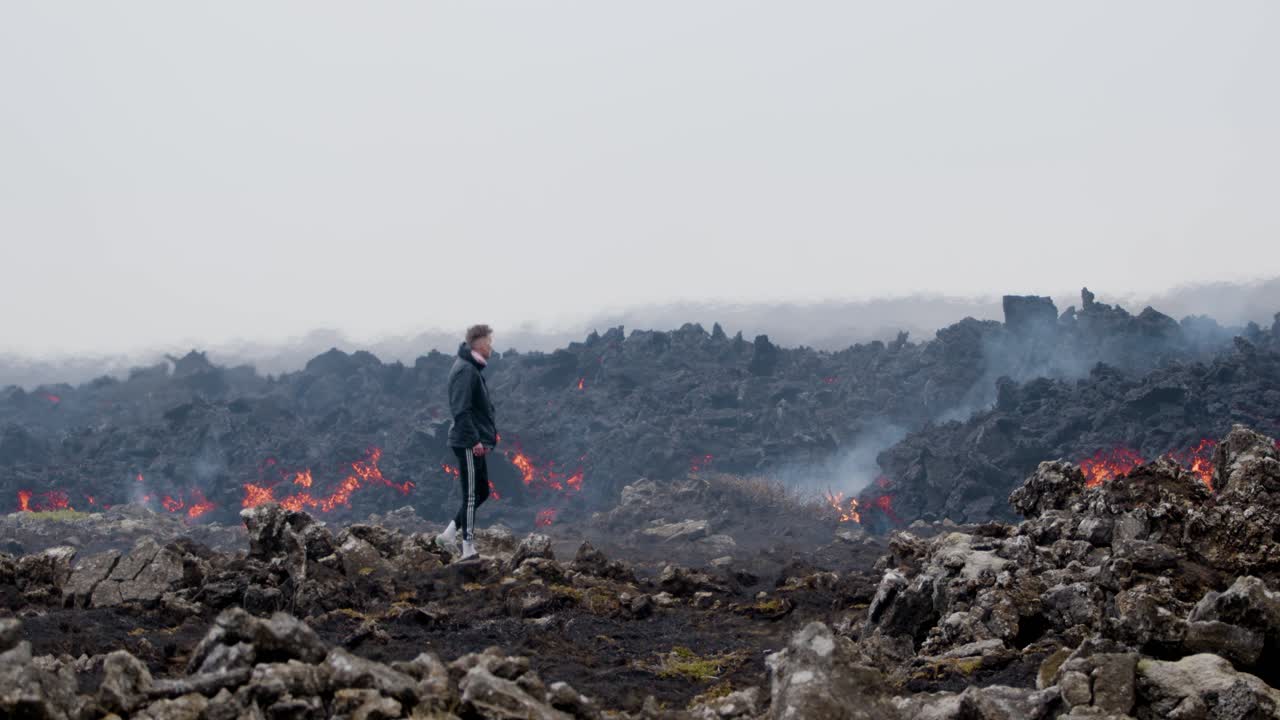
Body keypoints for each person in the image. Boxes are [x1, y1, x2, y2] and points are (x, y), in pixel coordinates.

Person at [435, 324, 498, 559]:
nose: (491, 346)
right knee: (472, 495)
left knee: (482, 492)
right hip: (467, 443)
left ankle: (448, 535)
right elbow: (460, 410)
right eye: (489, 342)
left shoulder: (471, 368)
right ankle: (468, 550)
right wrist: (474, 441)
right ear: (479, 344)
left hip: (474, 441)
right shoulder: (465, 370)